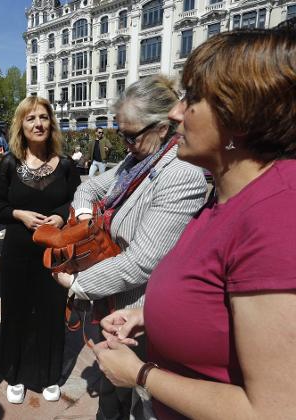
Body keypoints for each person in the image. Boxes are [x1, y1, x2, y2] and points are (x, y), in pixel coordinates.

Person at [91, 29, 296, 419]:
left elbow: (274, 410)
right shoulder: (228, 196)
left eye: (193, 99)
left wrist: (140, 373)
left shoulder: (278, 213)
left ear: (240, 114)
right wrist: (147, 316)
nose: (175, 113)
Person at [52, 75, 207, 419]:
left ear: (162, 128)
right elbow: (89, 188)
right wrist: (83, 221)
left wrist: (78, 284)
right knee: (112, 394)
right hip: (114, 305)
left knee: (143, 403)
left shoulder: (180, 174)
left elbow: (143, 261)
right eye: (120, 131)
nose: (123, 142)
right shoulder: (135, 162)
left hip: (142, 313)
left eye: (130, 134)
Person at [0, 96, 81, 404]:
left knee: (51, 313)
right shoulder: (8, 164)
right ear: (21, 125)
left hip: (53, 253)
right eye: (31, 119)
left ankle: (49, 375)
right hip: (17, 251)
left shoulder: (66, 165)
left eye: (43, 117)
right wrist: (20, 214)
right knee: (15, 313)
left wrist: (61, 214)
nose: (38, 123)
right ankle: (14, 374)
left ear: (51, 123)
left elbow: (77, 201)